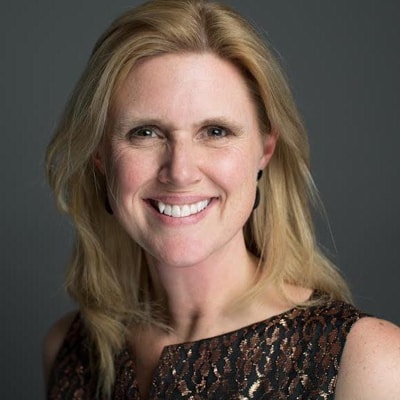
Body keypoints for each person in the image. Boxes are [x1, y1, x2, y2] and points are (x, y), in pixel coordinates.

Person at [43, 0, 400, 399]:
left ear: (265, 149)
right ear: (100, 154)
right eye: (145, 132)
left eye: (215, 131)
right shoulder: (69, 350)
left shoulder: (369, 363)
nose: (180, 171)